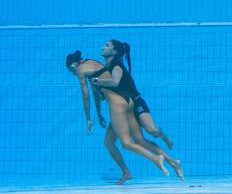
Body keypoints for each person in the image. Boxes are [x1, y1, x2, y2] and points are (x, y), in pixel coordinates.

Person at [66, 49, 183, 184]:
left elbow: (86, 96)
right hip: (128, 101)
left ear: (73, 65)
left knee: (126, 143)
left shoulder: (80, 70)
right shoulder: (94, 64)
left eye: (71, 71)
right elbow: (95, 94)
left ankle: (155, 159)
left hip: (117, 105)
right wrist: (99, 115)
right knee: (119, 141)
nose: (73, 74)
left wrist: (88, 119)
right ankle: (173, 162)